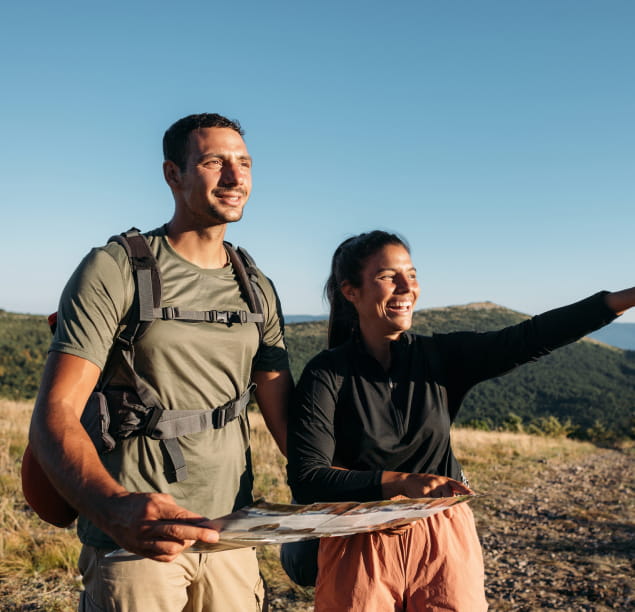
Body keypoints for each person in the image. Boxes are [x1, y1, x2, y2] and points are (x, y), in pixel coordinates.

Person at [286, 230, 634, 612]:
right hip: (358, 539)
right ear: (351, 291)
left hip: (442, 536)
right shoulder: (327, 373)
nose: (407, 287)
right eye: (388, 277)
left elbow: (530, 337)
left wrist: (627, 297)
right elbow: (308, 478)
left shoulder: (441, 357)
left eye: (413, 274)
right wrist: (401, 483)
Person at [28, 113, 293, 611]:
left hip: (230, 534)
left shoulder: (255, 285)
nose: (236, 179)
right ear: (173, 174)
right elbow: (54, 417)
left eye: (245, 163)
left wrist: (373, 489)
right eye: (216, 162)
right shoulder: (116, 267)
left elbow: (288, 425)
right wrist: (115, 510)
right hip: (138, 546)